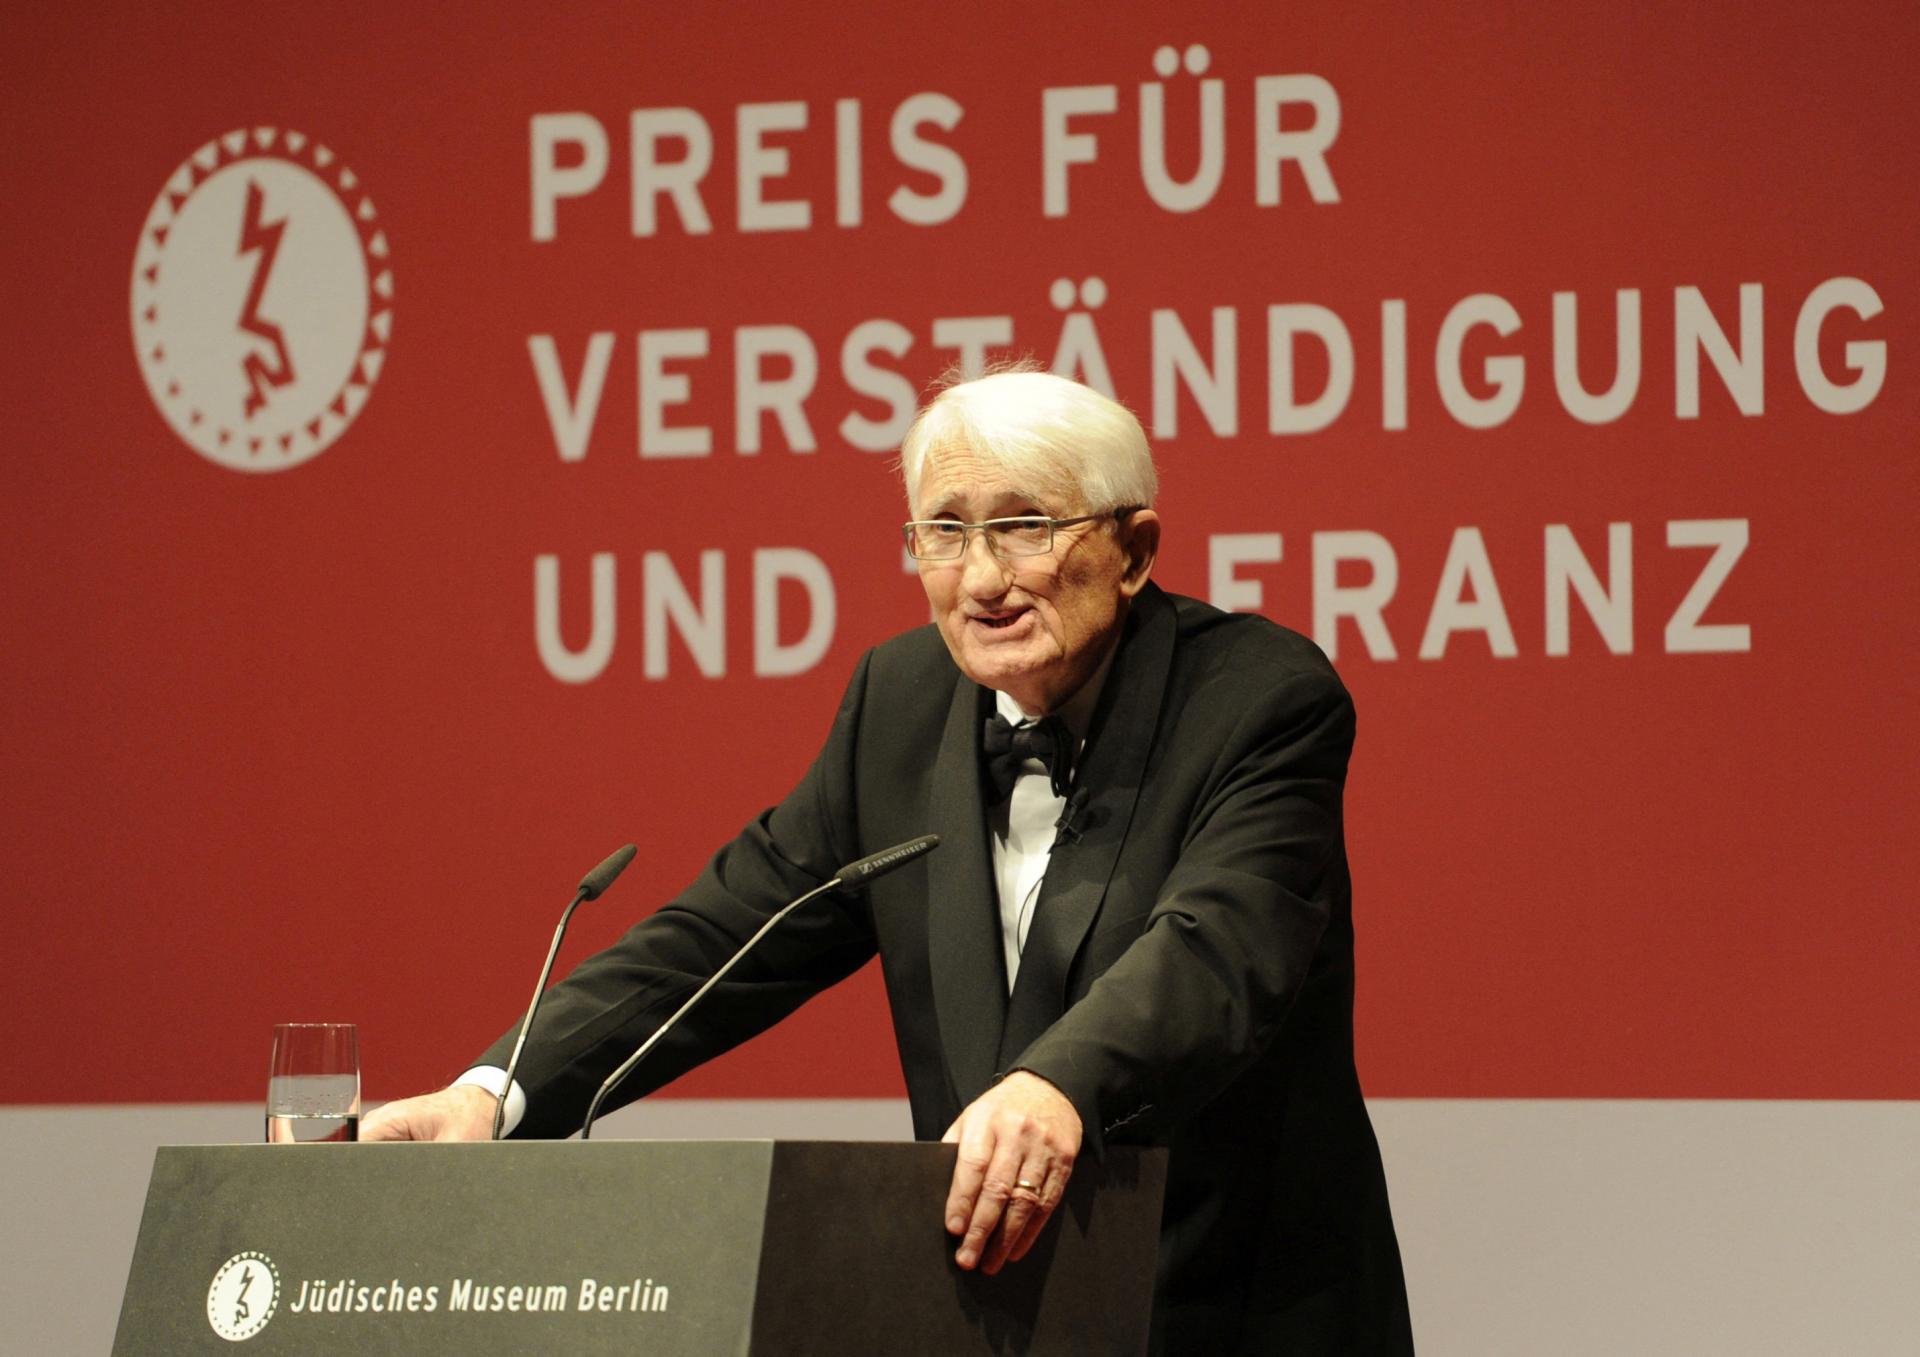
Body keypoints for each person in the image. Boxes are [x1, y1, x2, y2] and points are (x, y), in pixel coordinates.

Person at [365, 369, 1413, 1354]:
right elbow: (726, 936)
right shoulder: (899, 702)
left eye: (1025, 526)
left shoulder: (1259, 696)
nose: (983, 579)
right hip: (996, 1310)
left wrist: (1057, 1083)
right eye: (945, 531)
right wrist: (497, 1092)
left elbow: (1218, 947)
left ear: (1134, 550)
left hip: (1233, 1306)